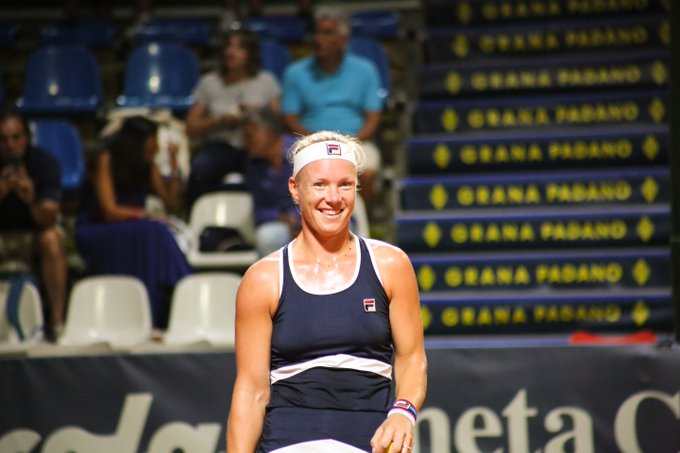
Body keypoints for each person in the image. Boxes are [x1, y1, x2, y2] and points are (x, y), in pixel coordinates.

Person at [226, 131, 427, 452]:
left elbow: (412, 357)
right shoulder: (263, 279)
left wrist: (403, 413)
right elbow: (251, 391)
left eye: (344, 185)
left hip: (370, 440)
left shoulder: (390, 265)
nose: (333, 198)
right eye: (320, 184)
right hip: (288, 442)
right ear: (295, 189)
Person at [75, 116, 191, 328]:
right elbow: (109, 211)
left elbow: (173, 203)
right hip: (98, 229)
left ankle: (170, 299)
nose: (157, 146)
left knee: (154, 232)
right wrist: (145, 215)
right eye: (153, 140)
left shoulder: (147, 164)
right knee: (155, 231)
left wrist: (174, 162)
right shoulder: (106, 158)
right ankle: (183, 285)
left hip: (136, 228)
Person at [281, 6, 383, 219]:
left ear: (343, 40)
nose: (318, 39)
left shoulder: (365, 70)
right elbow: (289, 118)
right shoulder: (295, 73)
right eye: (316, 33)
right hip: (308, 143)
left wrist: (350, 144)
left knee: (368, 170)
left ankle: (364, 221)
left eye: (327, 33)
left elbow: (373, 118)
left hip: (356, 141)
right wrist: (316, 142)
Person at [185, 29, 281, 208]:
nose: (231, 52)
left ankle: (272, 215)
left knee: (272, 170)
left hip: (255, 146)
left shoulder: (266, 81)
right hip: (220, 145)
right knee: (200, 171)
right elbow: (191, 128)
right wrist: (219, 120)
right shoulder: (209, 82)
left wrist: (256, 113)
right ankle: (194, 216)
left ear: (250, 53)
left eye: (239, 48)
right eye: (228, 47)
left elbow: (278, 122)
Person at [0, 113, 68, 338]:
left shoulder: (45, 164)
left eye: (15, 137)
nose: (10, 145)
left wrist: (31, 200)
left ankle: (57, 322)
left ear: (27, 138)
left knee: (52, 239)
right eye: (3, 139)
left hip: (33, 236)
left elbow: (48, 220)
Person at [241, 107, 299, 257]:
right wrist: (281, 218)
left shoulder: (302, 152)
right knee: (266, 237)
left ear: (269, 132)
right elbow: (260, 211)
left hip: (318, 219)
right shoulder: (253, 164)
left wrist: (301, 220)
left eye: (249, 136)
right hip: (283, 226)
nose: (244, 142)